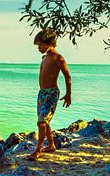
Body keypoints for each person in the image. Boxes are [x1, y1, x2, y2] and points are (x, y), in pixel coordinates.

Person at [27, 29, 72, 161]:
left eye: (40, 45)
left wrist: (68, 94)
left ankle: (38, 150)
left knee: (41, 122)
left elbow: (67, 77)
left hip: (52, 93)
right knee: (44, 122)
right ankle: (51, 145)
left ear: (50, 43)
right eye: (38, 45)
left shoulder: (58, 58)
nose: (38, 48)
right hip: (42, 93)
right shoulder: (45, 57)